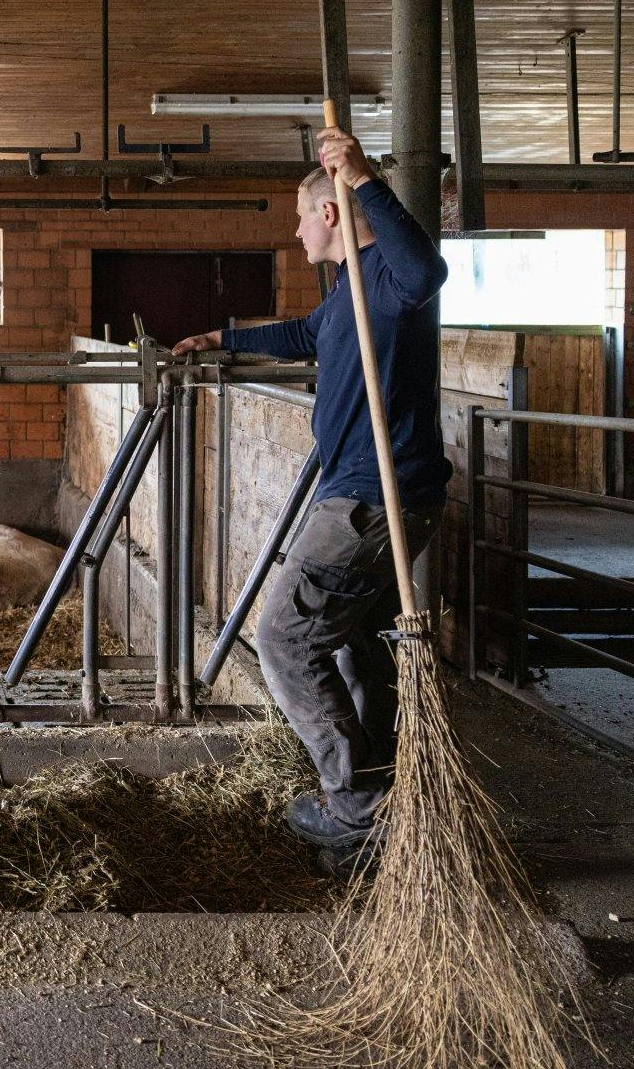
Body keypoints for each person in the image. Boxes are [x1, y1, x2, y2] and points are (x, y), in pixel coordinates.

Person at [173, 126, 449, 871]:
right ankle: (384, 783)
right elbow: (306, 332)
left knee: (284, 638)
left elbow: (429, 270)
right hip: (363, 490)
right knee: (351, 643)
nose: (295, 232)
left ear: (329, 213)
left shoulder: (389, 282)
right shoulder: (348, 292)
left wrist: (362, 178)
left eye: (301, 216)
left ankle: (353, 805)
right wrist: (221, 337)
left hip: (371, 497)